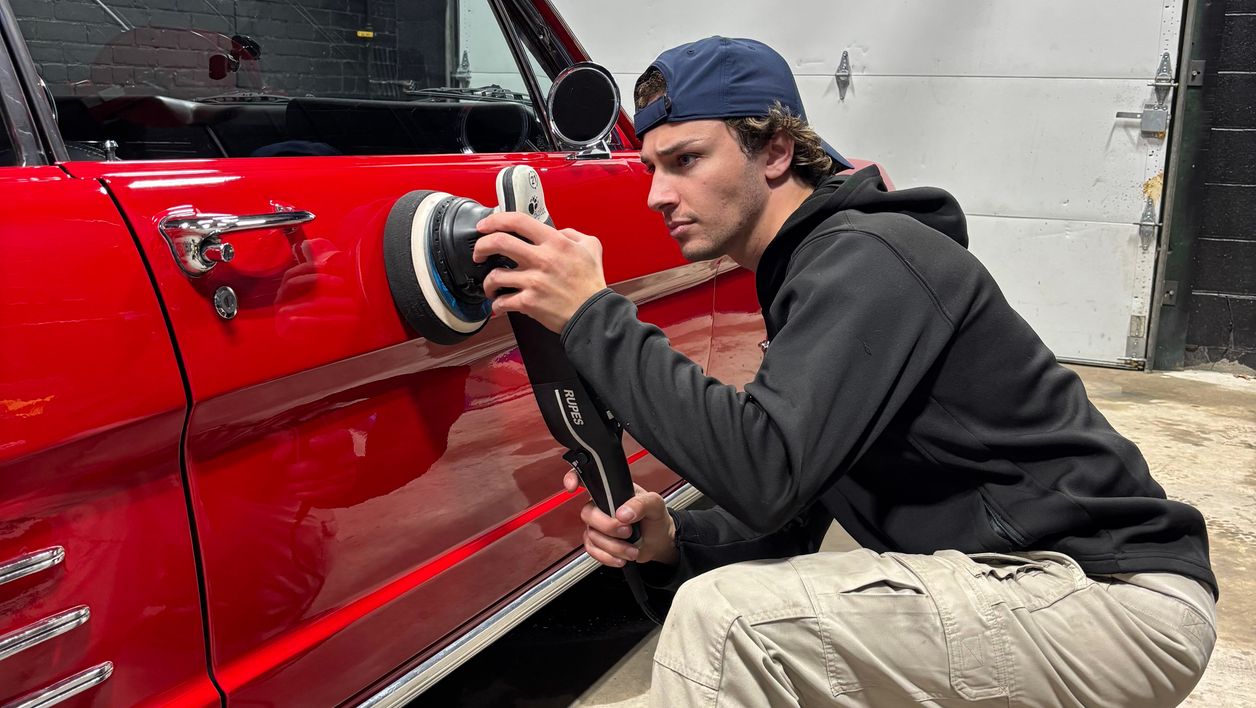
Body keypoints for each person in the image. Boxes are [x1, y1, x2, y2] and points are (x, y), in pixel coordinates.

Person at [472, 36, 1217, 707]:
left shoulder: (868, 258)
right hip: (1028, 587)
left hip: (1108, 598)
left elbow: (765, 469)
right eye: (651, 167)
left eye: (686, 160)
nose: (657, 193)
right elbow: (792, 513)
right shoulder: (821, 274)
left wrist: (594, 314)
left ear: (773, 153)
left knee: (730, 626)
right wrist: (675, 537)